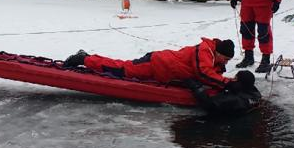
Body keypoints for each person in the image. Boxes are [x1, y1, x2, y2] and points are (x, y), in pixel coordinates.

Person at [62, 38, 235, 90]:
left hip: (163, 71)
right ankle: (84, 58)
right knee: (121, 69)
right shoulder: (205, 51)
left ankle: (86, 57)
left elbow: (211, 75)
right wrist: (227, 84)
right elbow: (203, 73)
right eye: (225, 59)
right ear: (219, 53)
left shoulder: (213, 58)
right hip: (156, 63)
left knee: (122, 68)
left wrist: (228, 81)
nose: (226, 63)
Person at [187, 70, 262, 114]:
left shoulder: (234, 99)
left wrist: (196, 87)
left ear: (239, 82)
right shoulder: (255, 93)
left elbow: (208, 104)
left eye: (235, 78)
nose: (232, 79)